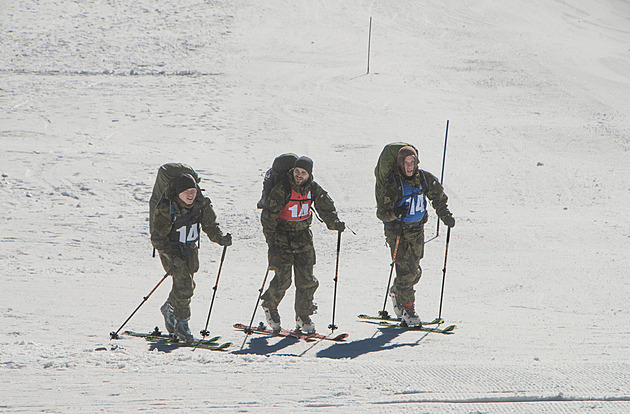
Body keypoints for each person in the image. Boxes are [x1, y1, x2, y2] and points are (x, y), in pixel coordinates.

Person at [260, 156, 345, 334]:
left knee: (306, 280)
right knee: (283, 279)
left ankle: (303, 315)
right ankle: (270, 305)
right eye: (297, 172)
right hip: (282, 239)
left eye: (303, 173)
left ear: (309, 174)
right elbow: (268, 217)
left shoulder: (312, 188)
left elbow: (326, 207)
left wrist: (335, 223)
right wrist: (272, 242)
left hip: (304, 239)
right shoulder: (282, 188)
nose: (299, 175)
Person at [376, 146, 455, 327]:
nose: (410, 167)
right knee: (406, 272)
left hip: (417, 230)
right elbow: (382, 213)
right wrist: (395, 212)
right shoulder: (392, 183)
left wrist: (446, 216)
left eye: (413, 162)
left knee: (415, 271)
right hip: (398, 232)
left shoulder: (424, 179)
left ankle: (397, 292)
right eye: (406, 163)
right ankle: (408, 309)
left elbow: (439, 198)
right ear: (400, 164)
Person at [151, 173, 232, 342]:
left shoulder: (201, 205)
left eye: (193, 190)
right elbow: (158, 238)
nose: (191, 194)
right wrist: (172, 256)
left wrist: (220, 238)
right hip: (171, 250)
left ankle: (169, 308)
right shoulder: (167, 208)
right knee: (185, 285)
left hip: (190, 249)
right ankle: (182, 324)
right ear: (178, 193)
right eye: (186, 191)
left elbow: (210, 226)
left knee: (185, 285)